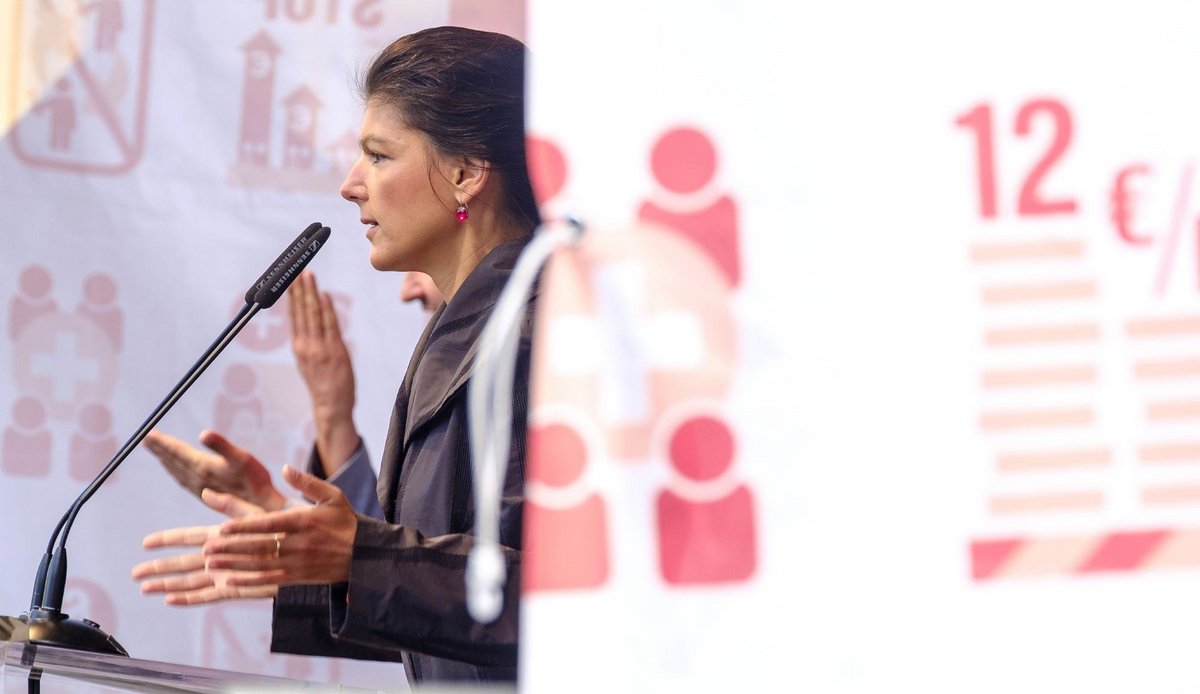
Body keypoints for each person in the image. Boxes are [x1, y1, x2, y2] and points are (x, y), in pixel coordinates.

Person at [132, 26, 540, 686]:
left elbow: (571, 604)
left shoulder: (546, 339)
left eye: (379, 156)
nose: (351, 185)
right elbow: (451, 612)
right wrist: (299, 541)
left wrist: (359, 556)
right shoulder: (465, 329)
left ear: (467, 174)